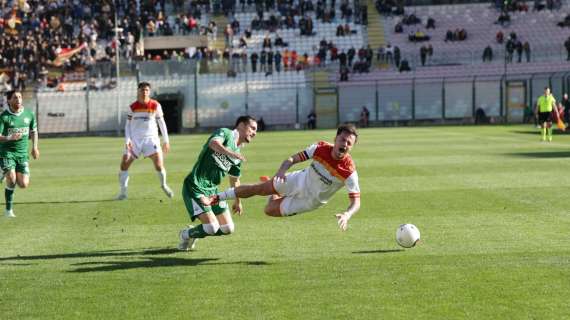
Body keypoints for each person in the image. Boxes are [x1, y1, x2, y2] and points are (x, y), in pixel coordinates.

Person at [210, 124, 360, 231]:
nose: (345, 144)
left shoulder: (349, 171)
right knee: (259, 189)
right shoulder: (320, 148)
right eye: (343, 140)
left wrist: (347, 214)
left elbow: (356, 201)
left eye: (349, 143)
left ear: (352, 147)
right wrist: (281, 171)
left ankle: (275, 193)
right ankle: (218, 197)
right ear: (335, 139)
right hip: (298, 180)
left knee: (269, 210)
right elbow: (292, 159)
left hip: (310, 200)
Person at [178, 116, 258, 251]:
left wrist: (237, 201)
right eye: (253, 128)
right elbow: (213, 144)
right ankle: (186, 235)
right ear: (242, 125)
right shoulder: (225, 133)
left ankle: (197, 232)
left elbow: (234, 179)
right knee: (211, 227)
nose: (255, 133)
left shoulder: (237, 154)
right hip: (195, 186)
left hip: (212, 192)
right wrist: (231, 153)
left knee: (228, 228)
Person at [116, 82, 172, 200]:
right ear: (138, 91)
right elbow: (127, 126)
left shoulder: (155, 105)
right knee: (124, 164)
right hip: (135, 140)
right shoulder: (132, 107)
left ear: (149, 91)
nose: (144, 92)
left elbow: (162, 123)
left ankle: (164, 185)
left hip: (151, 140)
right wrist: (127, 140)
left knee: (158, 165)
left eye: (146, 90)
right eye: (142, 90)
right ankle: (123, 193)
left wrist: (166, 140)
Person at [0, 90, 39, 218]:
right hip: (7, 152)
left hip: (22, 154)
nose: (18, 100)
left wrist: (35, 148)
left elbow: (33, 131)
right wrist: (9, 138)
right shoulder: (4, 117)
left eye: (20, 97)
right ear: (9, 101)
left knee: (23, 184)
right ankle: (8, 211)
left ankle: (4, 172)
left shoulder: (29, 114)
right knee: (11, 178)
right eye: (15, 98)